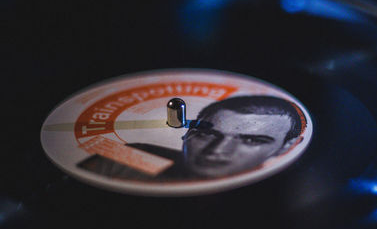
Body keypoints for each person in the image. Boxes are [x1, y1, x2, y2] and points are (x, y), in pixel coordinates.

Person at [78, 95, 305, 181]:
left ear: (286, 146)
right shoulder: (129, 158)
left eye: (252, 140)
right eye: (206, 133)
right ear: (187, 133)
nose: (217, 150)